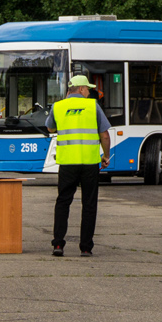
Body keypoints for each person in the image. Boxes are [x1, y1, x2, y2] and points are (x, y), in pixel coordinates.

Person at [48, 74, 111, 257]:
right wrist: (105, 156)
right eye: (88, 90)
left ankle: (58, 245)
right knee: (89, 204)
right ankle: (85, 247)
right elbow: (105, 135)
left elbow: (50, 128)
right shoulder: (93, 106)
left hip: (67, 163)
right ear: (82, 89)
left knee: (63, 202)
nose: (89, 93)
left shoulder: (58, 107)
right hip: (89, 163)